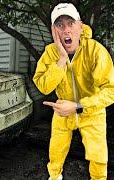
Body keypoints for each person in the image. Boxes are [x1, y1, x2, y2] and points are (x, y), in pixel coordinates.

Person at [33, 3, 114, 180]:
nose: (66, 30)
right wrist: (61, 59)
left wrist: (78, 106)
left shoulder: (95, 51)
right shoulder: (50, 53)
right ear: (54, 30)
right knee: (55, 152)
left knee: (99, 158)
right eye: (60, 25)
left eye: (70, 23)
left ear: (80, 26)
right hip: (62, 111)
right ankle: (54, 177)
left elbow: (110, 91)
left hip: (92, 112)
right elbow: (43, 85)